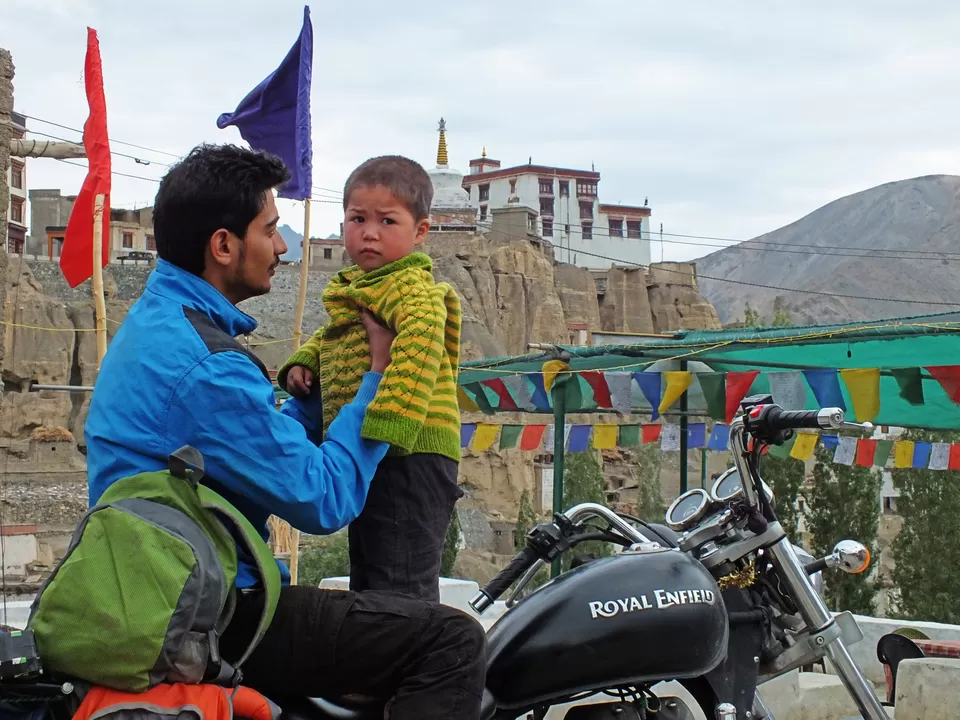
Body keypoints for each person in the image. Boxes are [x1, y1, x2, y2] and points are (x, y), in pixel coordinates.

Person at [83, 143, 485, 720]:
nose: (280, 248)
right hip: (212, 611)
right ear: (224, 246)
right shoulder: (207, 368)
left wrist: (312, 392)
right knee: (451, 640)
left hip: (170, 594)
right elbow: (324, 500)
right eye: (271, 231)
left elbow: (261, 443)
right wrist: (377, 378)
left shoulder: (164, 325)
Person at [276, 155, 463, 602]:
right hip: (374, 449)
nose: (370, 232)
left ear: (420, 231)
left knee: (400, 584)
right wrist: (306, 363)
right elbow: (336, 337)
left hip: (409, 453)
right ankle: (380, 659)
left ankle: (408, 663)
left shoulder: (415, 291)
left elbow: (417, 351)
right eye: (358, 219)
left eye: (387, 221)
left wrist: (386, 424)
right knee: (370, 568)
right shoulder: (363, 286)